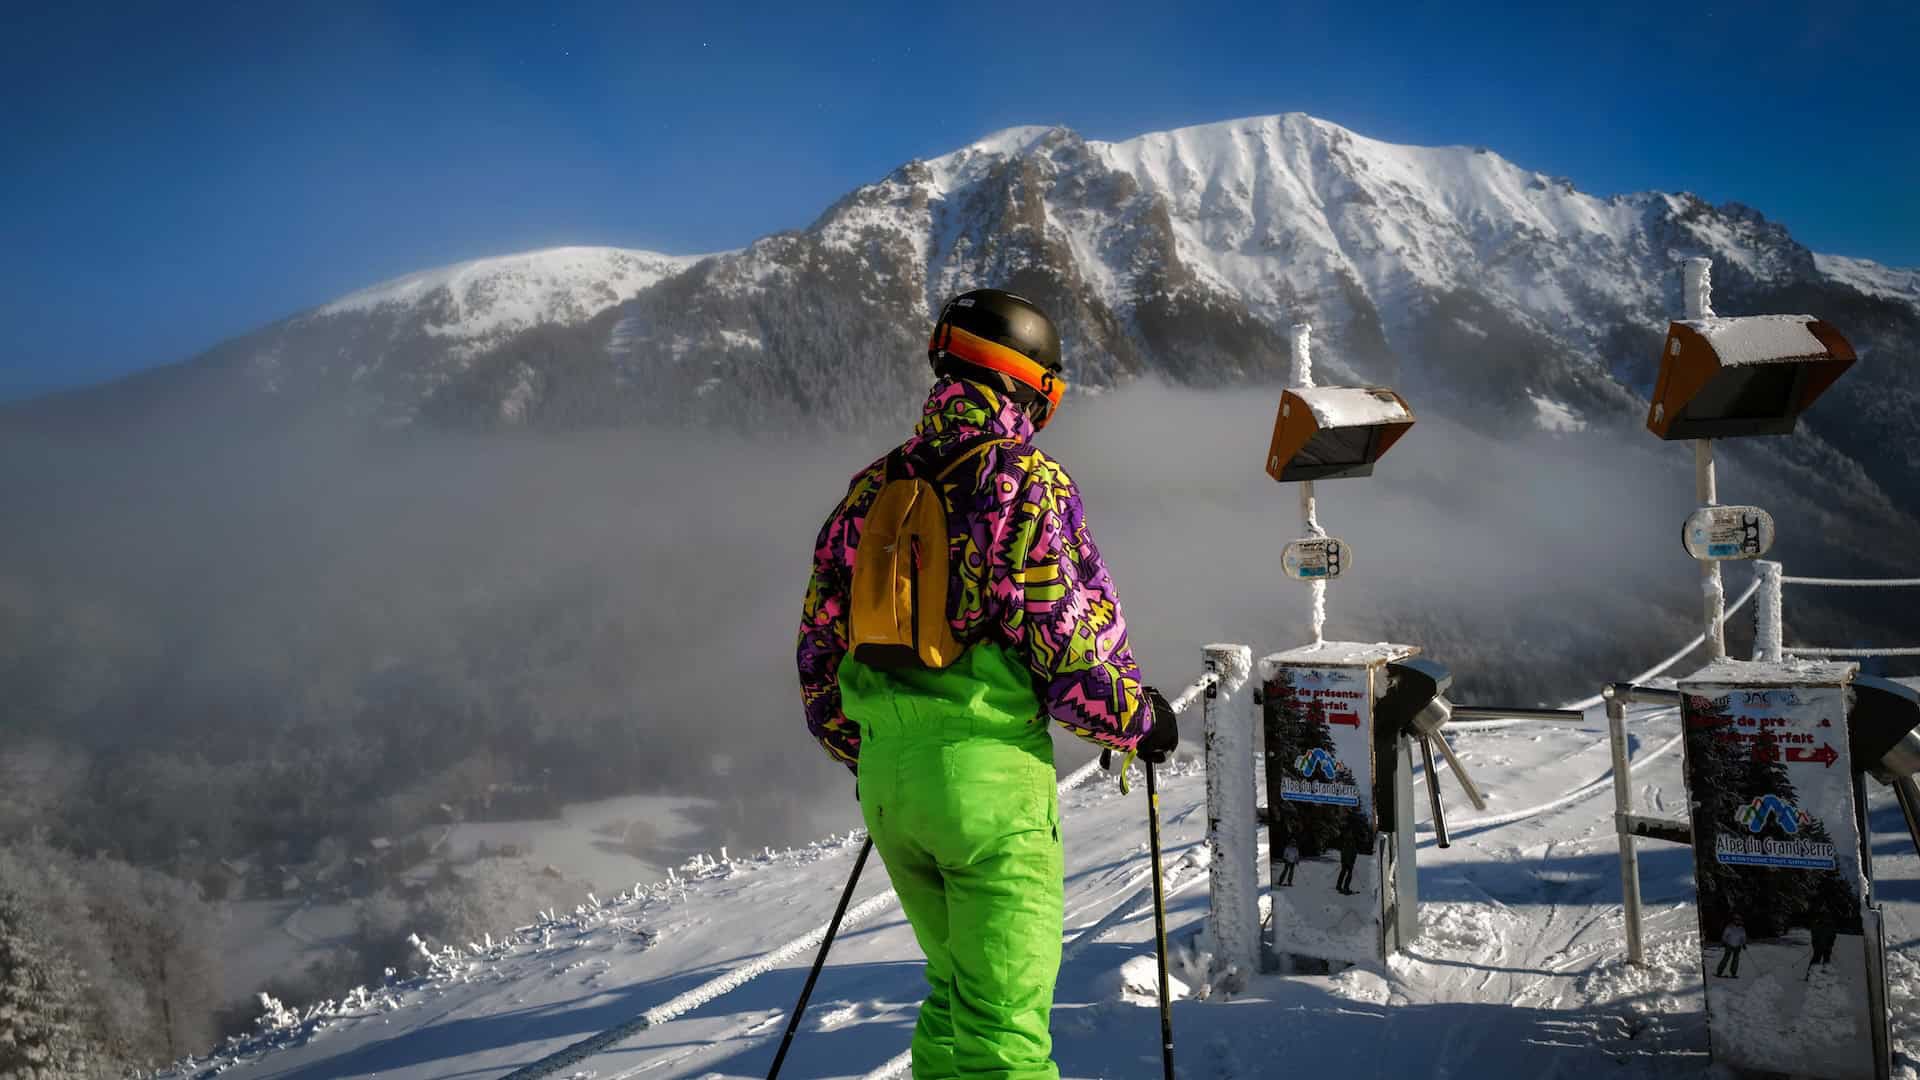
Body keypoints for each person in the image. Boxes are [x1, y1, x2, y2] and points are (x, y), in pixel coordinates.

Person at [797, 288, 1176, 1080]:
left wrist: (885, 747)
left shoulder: (872, 488)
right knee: (1005, 1031)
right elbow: (1067, 656)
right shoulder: (1026, 483)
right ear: (1033, 384)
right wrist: (1139, 720)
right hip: (988, 790)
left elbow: (820, 657)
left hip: (889, 786)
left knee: (956, 994)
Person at [1334, 813, 1363, 895]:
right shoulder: (1348, 842)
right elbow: (1346, 852)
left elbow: (1352, 852)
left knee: (1345, 872)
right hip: (1347, 861)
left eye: (1351, 833)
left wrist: (1351, 859)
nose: (1351, 834)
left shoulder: (1350, 841)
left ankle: (1340, 886)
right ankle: (1343, 887)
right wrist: (1346, 861)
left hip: (1348, 860)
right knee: (1347, 873)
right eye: (1350, 833)